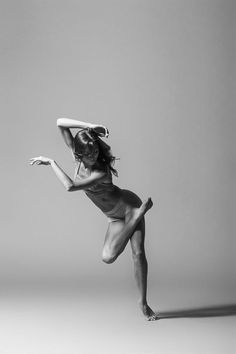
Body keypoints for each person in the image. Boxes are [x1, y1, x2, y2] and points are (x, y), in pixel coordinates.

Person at [29, 118, 158, 321]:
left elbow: (70, 186)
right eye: (88, 154)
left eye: (96, 152)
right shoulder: (78, 155)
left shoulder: (101, 171)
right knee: (108, 257)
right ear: (79, 153)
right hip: (113, 217)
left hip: (128, 204)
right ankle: (137, 216)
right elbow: (60, 122)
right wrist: (88, 127)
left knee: (138, 253)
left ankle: (143, 302)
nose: (93, 156)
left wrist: (52, 162)